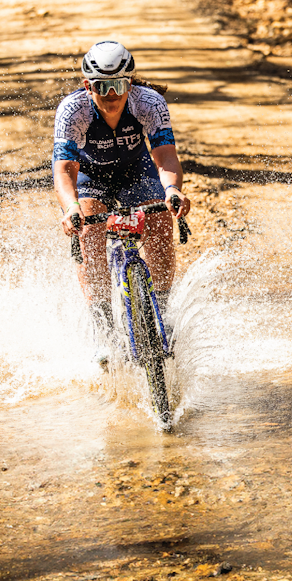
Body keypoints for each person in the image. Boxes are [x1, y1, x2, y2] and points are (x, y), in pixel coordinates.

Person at [52, 41, 192, 353]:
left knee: (160, 220)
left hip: (136, 170)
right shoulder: (73, 109)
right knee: (88, 228)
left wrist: (172, 191)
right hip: (91, 176)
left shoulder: (149, 103)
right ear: (88, 85)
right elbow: (64, 169)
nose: (112, 95)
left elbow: (166, 156)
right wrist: (71, 207)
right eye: (103, 87)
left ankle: (164, 310)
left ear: (129, 82)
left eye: (118, 85)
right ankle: (102, 325)